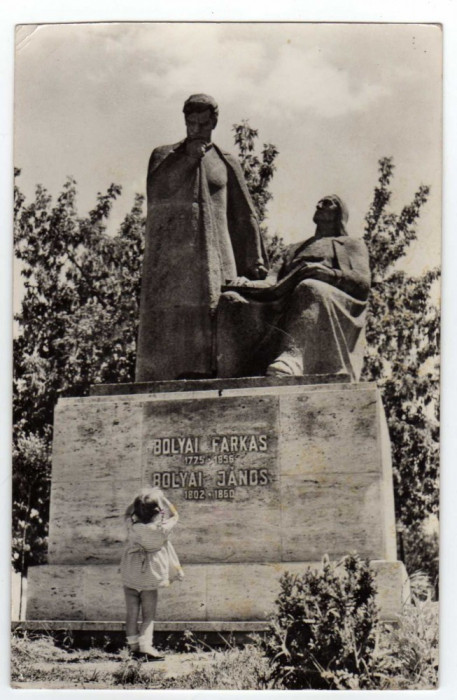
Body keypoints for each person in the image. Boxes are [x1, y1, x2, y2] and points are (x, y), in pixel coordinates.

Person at [135, 93, 268, 382]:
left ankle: (216, 370)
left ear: (213, 123)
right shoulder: (164, 155)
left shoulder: (226, 162)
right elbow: (157, 191)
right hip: (175, 252)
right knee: (174, 313)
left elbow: (244, 213)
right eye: (190, 122)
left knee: (216, 310)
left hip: (217, 251)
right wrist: (187, 160)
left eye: (202, 124)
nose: (195, 129)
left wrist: (254, 256)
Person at [218, 195, 371, 381]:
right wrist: (245, 284)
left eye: (327, 202)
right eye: (319, 201)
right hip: (282, 299)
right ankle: (227, 373)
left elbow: (362, 284)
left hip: (326, 300)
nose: (318, 204)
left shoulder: (351, 244)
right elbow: (270, 282)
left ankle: (293, 359)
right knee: (230, 299)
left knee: (309, 288)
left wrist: (327, 274)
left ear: (339, 213)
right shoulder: (293, 249)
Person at [120, 487, 183, 660]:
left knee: (131, 613)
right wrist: (164, 500)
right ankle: (146, 646)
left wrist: (135, 502)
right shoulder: (162, 529)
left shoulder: (133, 527)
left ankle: (132, 646)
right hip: (151, 574)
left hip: (131, 572)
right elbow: (175, 516)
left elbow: (126, 514)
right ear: (158, 511)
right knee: (149, 615)